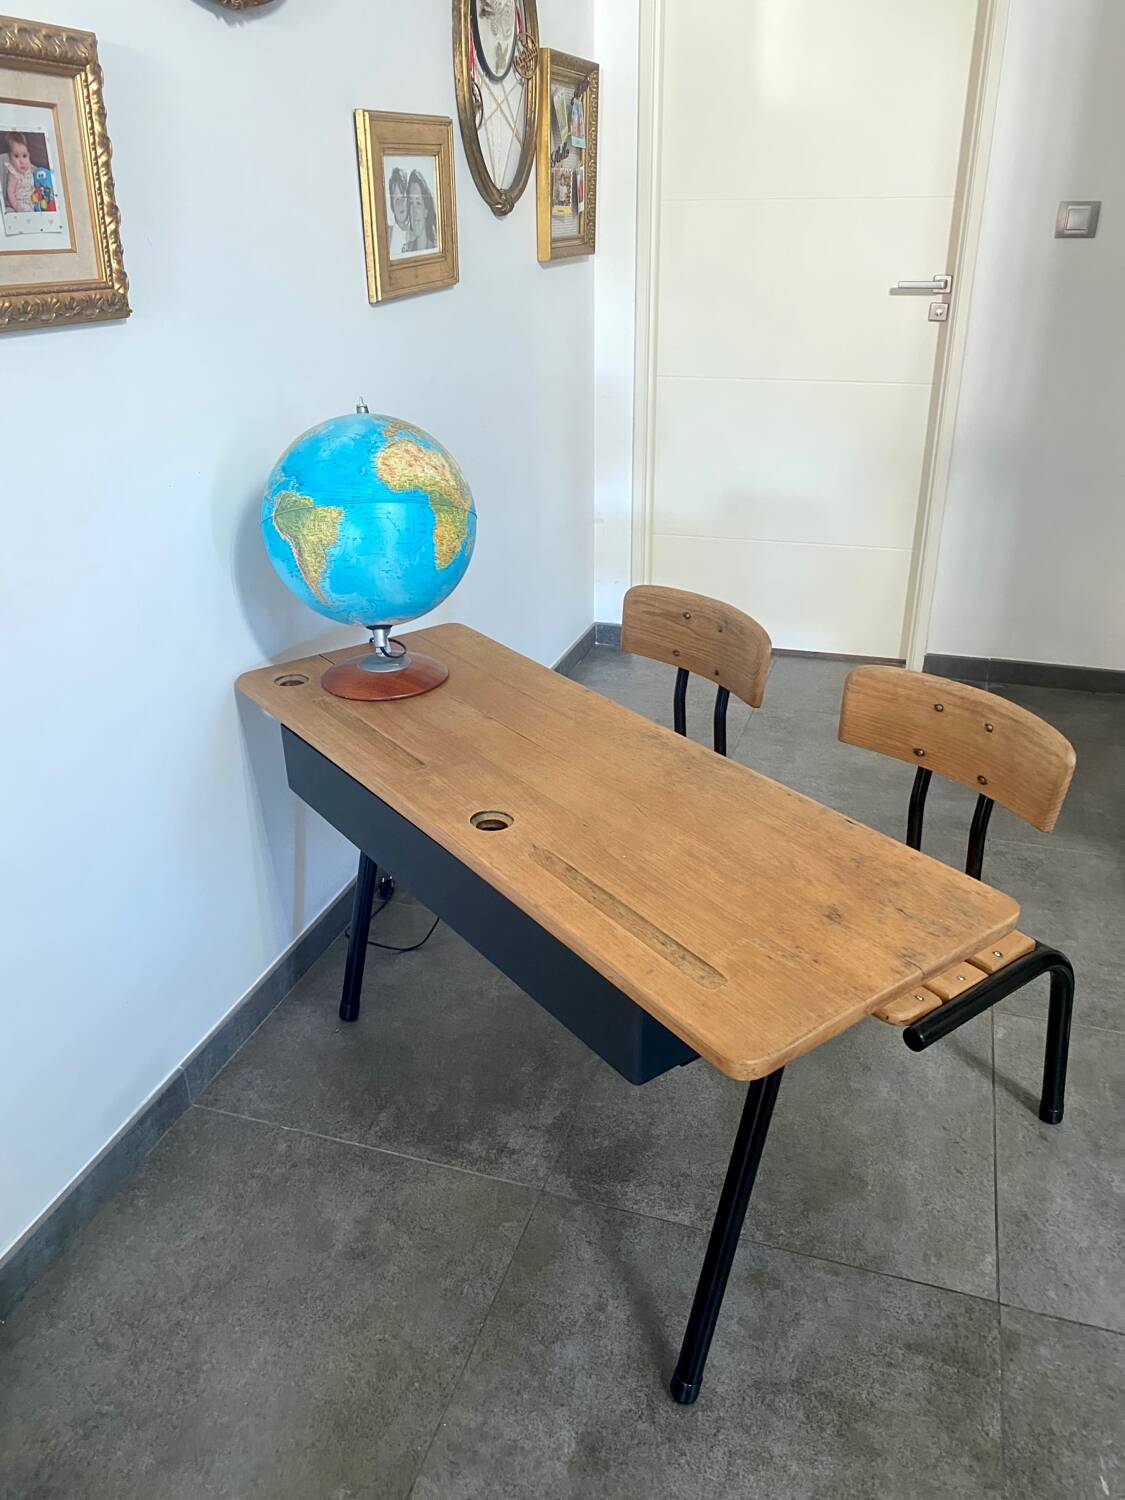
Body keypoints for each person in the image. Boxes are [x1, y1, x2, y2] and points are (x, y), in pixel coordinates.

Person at [402, 170, 437, 254]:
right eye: (411, 203)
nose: (414, 211)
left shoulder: (435, 250)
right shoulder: (405, 251)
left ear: (426, 211)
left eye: (418, 203)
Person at [4, 130, 34, 213]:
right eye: (16, 156)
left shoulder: (28, 165)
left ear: (29, 155)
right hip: (20, 203)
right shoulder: (13, 174)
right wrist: (17, 207)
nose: (21, 161)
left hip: (33, 200)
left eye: (24, 156)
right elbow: (10, 193)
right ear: (10, 157)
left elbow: (34, 170)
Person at [387, 168, 409, 257]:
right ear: (392, 205)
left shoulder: (417, 232)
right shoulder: (388, 235)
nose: (400, 204)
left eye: (403, 198)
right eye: (397, 200)